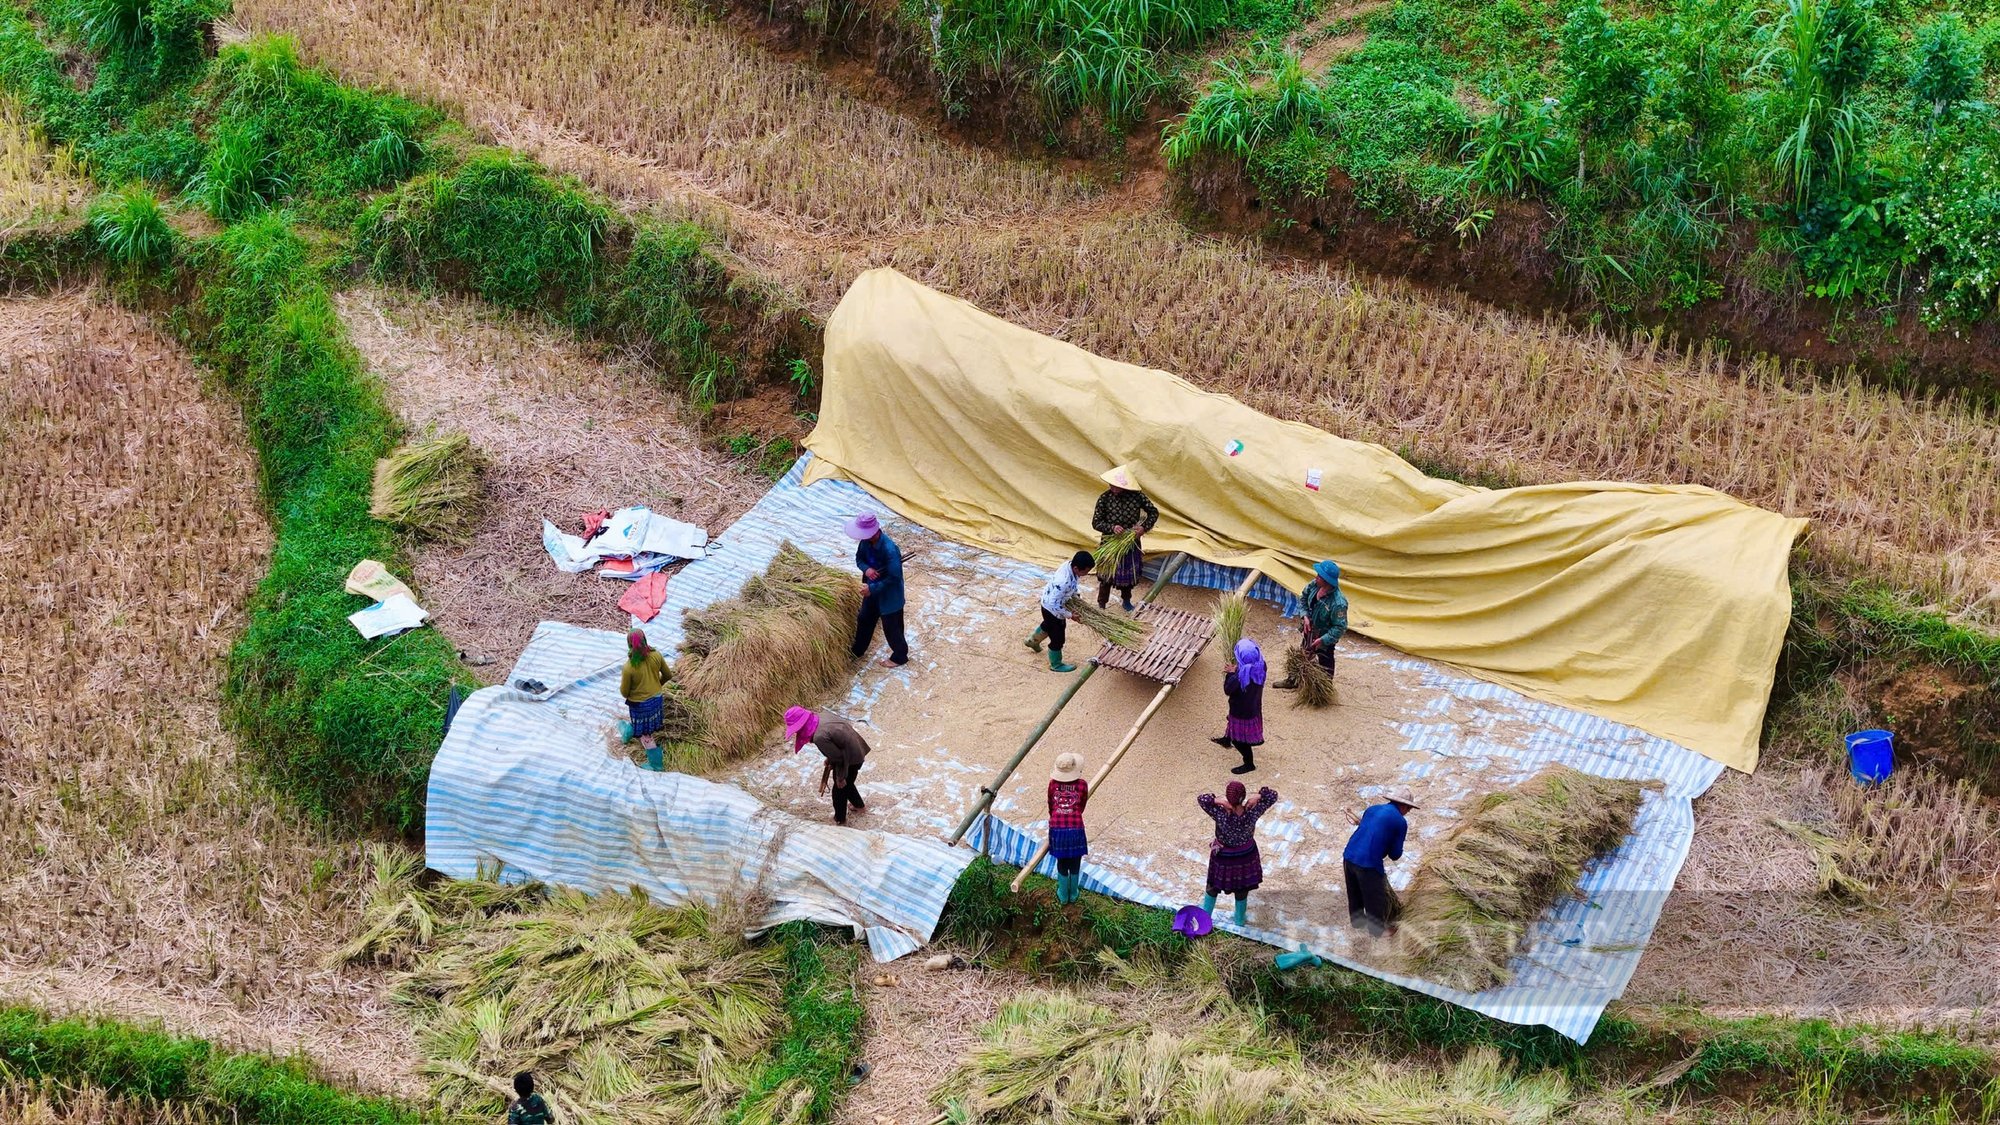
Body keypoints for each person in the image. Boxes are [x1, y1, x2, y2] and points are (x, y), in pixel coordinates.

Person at [1198, 780, 1278, 926]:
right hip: (1245, 856)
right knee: (1241, 889)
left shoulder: (1220, 812)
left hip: (1223, 857)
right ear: (1244, 796)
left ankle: (1205, 918)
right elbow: (1273, 795)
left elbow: (1202, 799)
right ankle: (1239, 921)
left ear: (1228, 799)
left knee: (1213, 886)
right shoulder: (1253, 811)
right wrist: (1258, 796)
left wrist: (1218, 800)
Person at [1343, 788, 1419, 937]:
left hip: (1349, 855)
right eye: (1409, 809)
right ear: (1404, 806)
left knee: (1354, 891)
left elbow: (1366, 828)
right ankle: (1377, 930)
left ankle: (1357, 922)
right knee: (1375, 897)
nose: (1408, 812)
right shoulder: (1400, 822)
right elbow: (1395, 854)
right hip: (1368, 863)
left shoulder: (1372, 809)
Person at [1090, 464, 1159, 613]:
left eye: (1116, 485)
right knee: (1107, 574)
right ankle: (1101, 603)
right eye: (1111, 485)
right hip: (1110, 542)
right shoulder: (1104, 498)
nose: (1112, 488)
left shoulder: (1137, 496)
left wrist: (1143, 528)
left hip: (1130, 541)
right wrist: (1112, 528)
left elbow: (1153, 512)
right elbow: (1096, 523)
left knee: (1128, 573)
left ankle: (1126, 600)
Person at [786, 706, 871, 825]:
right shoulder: (821, 716)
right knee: (849, 783)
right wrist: (830, 758)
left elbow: (839, 758)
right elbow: (836, 742)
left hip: (849, 758)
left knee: (839, 789)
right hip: (856, 747)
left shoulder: (819, 737)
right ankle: (859, 806)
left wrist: (840, 777)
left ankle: (840, 819)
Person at [846, 512, 908, 668]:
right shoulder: (865, 543)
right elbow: (859, 559)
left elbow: (894, 578)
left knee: (892, 628)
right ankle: (857, 651)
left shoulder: (890, 550)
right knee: (864, 619)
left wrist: (872, 589)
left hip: (889, 596)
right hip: (871, 590)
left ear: (874, 532)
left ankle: (900, 656)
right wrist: (867, 570)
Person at [1275, 560, 1347, 689]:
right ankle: (1293, 680)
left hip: (1325, 636)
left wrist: (1323, 640)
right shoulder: (1314, 585)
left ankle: (1324, 688)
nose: (1316, 577)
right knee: (1302, 653)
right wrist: (1305, 616)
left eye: (1319, 576)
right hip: (1310, 629)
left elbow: (1340, 627)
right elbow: (1303, 598)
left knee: (1325, 660)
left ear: (1327, 580)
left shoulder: (1338, 603)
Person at [1025, 549, 1097, 673]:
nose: (1087, 573)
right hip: (1052, 610)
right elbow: (1054, 604)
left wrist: (1075, 597)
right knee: (1058, 637)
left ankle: (1032, 641)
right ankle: (1056, 664)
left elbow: (1072, 587)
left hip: (1047, 603)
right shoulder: (1063, 581)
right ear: (1076, 568)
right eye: (1086, 571)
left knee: (1048, 626)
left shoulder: (1068, 565)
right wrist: (1070, 615)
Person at [1210, 637, 1266, 774]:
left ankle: (1249, 763)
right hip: (1253, 706)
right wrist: (1237, 670)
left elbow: (1227, 690)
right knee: (1231, 723)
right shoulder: (1261, 666)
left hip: (1241, 711)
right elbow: (1247, 669)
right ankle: (1226, 739)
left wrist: (1230, 674)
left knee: (1239, 740)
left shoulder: (1239, 678)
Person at [619, 629, 672, 768]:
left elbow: (624, 693)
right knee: (647, 723)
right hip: (657, 700)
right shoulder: (656, 655)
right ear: (645, 640)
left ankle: (656, 765)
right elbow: (668, 675)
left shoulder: (629, 667)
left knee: (645, 734)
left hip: (641, 705)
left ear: (629, 645)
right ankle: (628, 732)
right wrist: (656, 686)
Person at [1047, 752, 1089, 904]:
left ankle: (1063, 894)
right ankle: (1074, 893)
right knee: (1075, 861)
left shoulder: (1052, 784)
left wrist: (1056, 816)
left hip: (1057, 828)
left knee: (1062, 862)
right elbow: (1082, 804)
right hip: (1076, 828)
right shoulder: (1082, 784)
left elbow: (1050, 805)